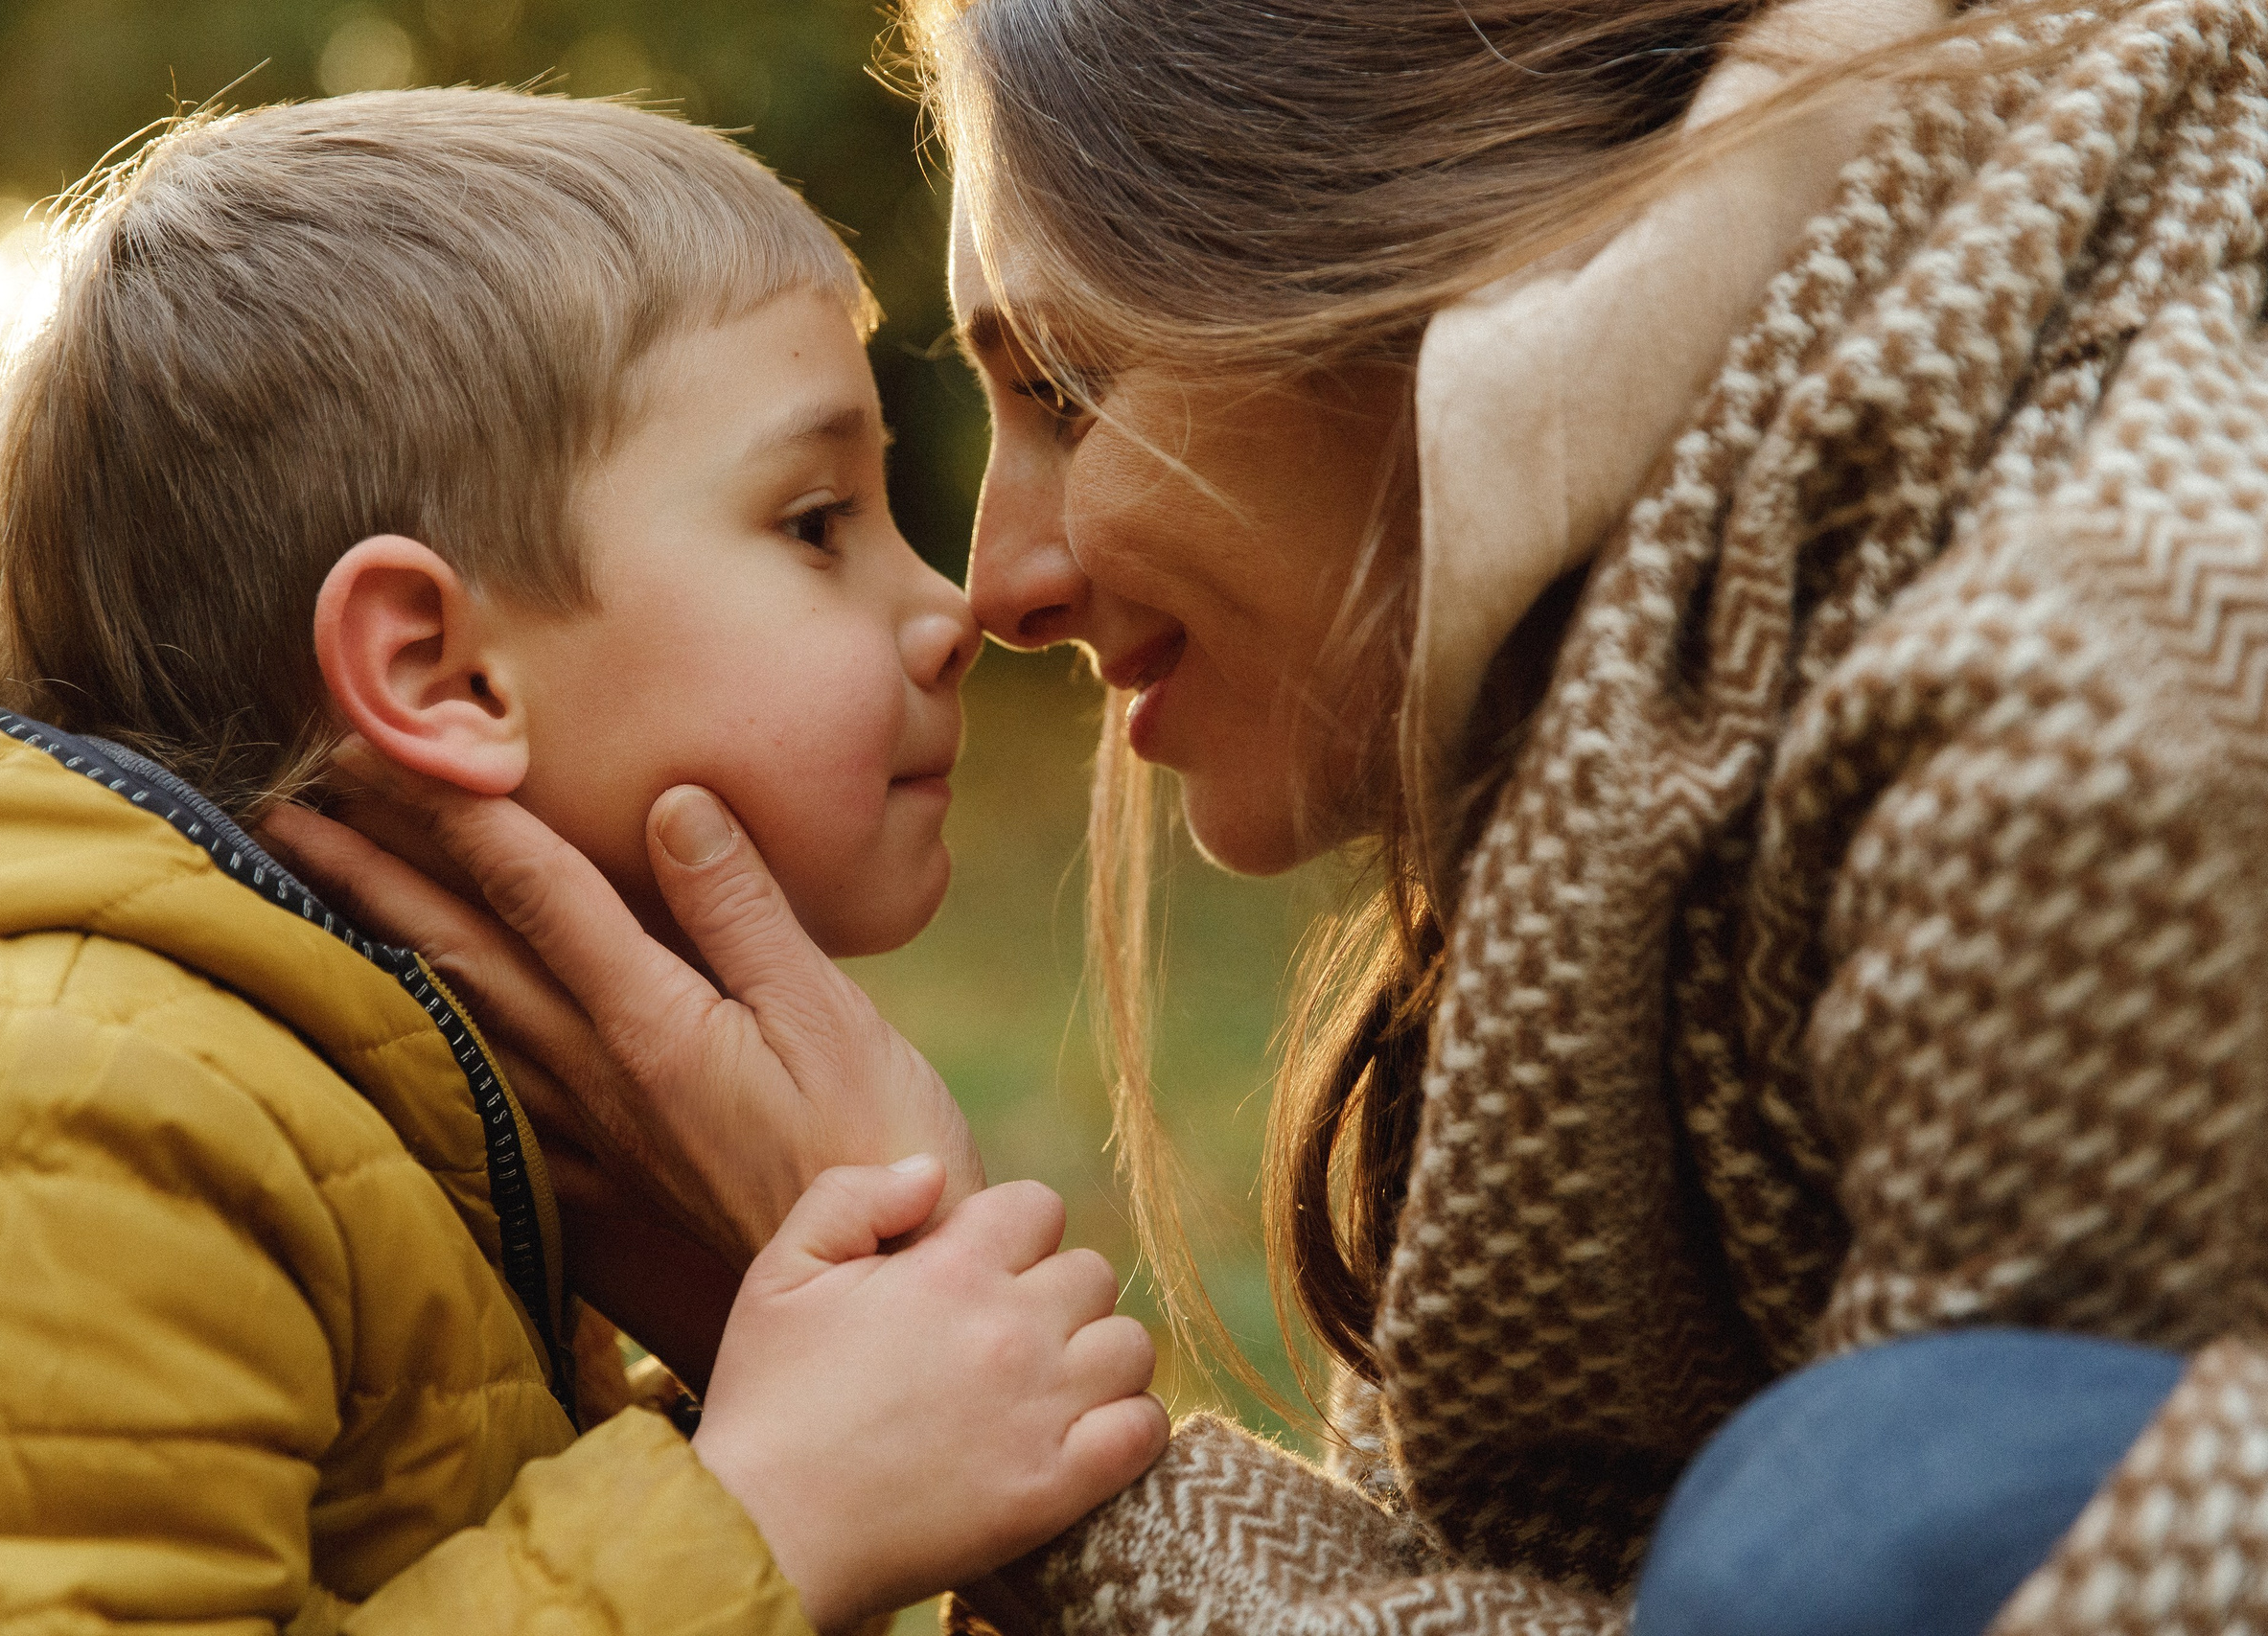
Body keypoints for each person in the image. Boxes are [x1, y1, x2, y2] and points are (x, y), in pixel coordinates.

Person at [275, 0, 2268, 1628]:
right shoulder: (1660, 723)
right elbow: (1521, 1592)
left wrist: (954, 1398)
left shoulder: (2081, 708)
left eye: (1062, 384)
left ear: (1403, 261)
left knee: (1860, 1522)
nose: (998, 579)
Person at [0, 88, 1169, 1633]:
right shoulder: (54, 1113)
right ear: (438, 674)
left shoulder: (404, 1118)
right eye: (814, 522)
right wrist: (769, 1521)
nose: (953, 610)